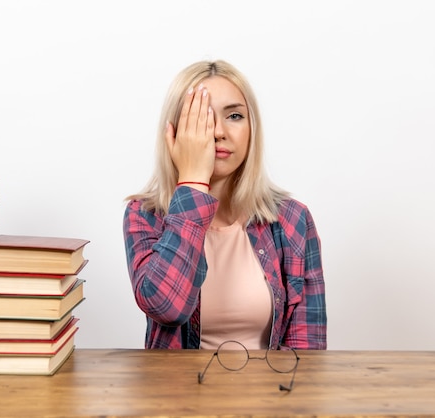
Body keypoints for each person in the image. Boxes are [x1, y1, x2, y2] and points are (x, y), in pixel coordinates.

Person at [122, 60, 327, 351]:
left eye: (234, 115)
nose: (218, 131)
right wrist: (193, 180)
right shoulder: (145, 216)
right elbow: (166, 306)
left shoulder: (293, 220)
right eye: (200, 118)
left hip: (271, 395)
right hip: (177, 395)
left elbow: (308, 354)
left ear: (251, 128)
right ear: (174, 132)